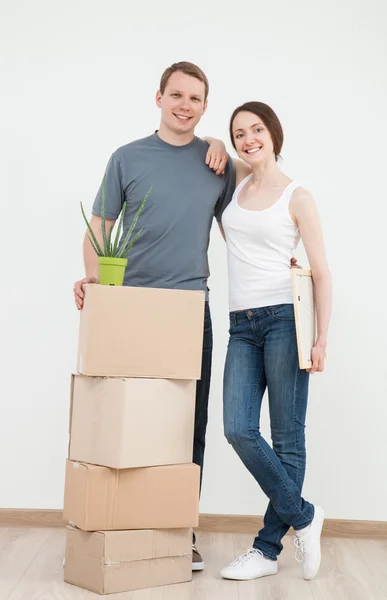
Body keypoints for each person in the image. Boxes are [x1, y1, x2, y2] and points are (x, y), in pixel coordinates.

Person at [73, 61, 236, 572]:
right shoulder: (127, 157)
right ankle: (119, 527)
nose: (185, 106)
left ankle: (179, 531)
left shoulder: (217, 165)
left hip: (190, 308)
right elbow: (99, 226)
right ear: (159, 97)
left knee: (187, 427)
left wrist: (223, 146)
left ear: (205, 107)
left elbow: (248, 210)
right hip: (131, 309)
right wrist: (97, 284)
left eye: (195, 99)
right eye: (177, 95)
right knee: (123, 422)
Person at [219, 102, 332, 582]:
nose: (248, 139)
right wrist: (210, 142)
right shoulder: (239, 182)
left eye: (257, 129)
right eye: (239, 133)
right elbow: (221, 154)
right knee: (238, 428)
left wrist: (322, 337)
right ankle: (305, 515)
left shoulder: (297, 195)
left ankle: (266, 550)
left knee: (287, 437)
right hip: (241, 324)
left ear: (274, 133)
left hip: (286, 320)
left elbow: (322, 271)